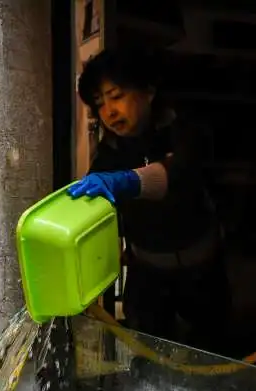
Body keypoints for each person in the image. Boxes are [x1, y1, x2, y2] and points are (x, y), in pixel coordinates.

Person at [69, 45, 230, 351]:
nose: (109, 112)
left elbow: (178, 173)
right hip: (147, 277)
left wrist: (130, 181)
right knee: (148, 359)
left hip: (203, 271)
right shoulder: (110, 154)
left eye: (116, 96)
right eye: (100, 104)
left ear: (148, 91)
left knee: (211, 356)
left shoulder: (186, 131)